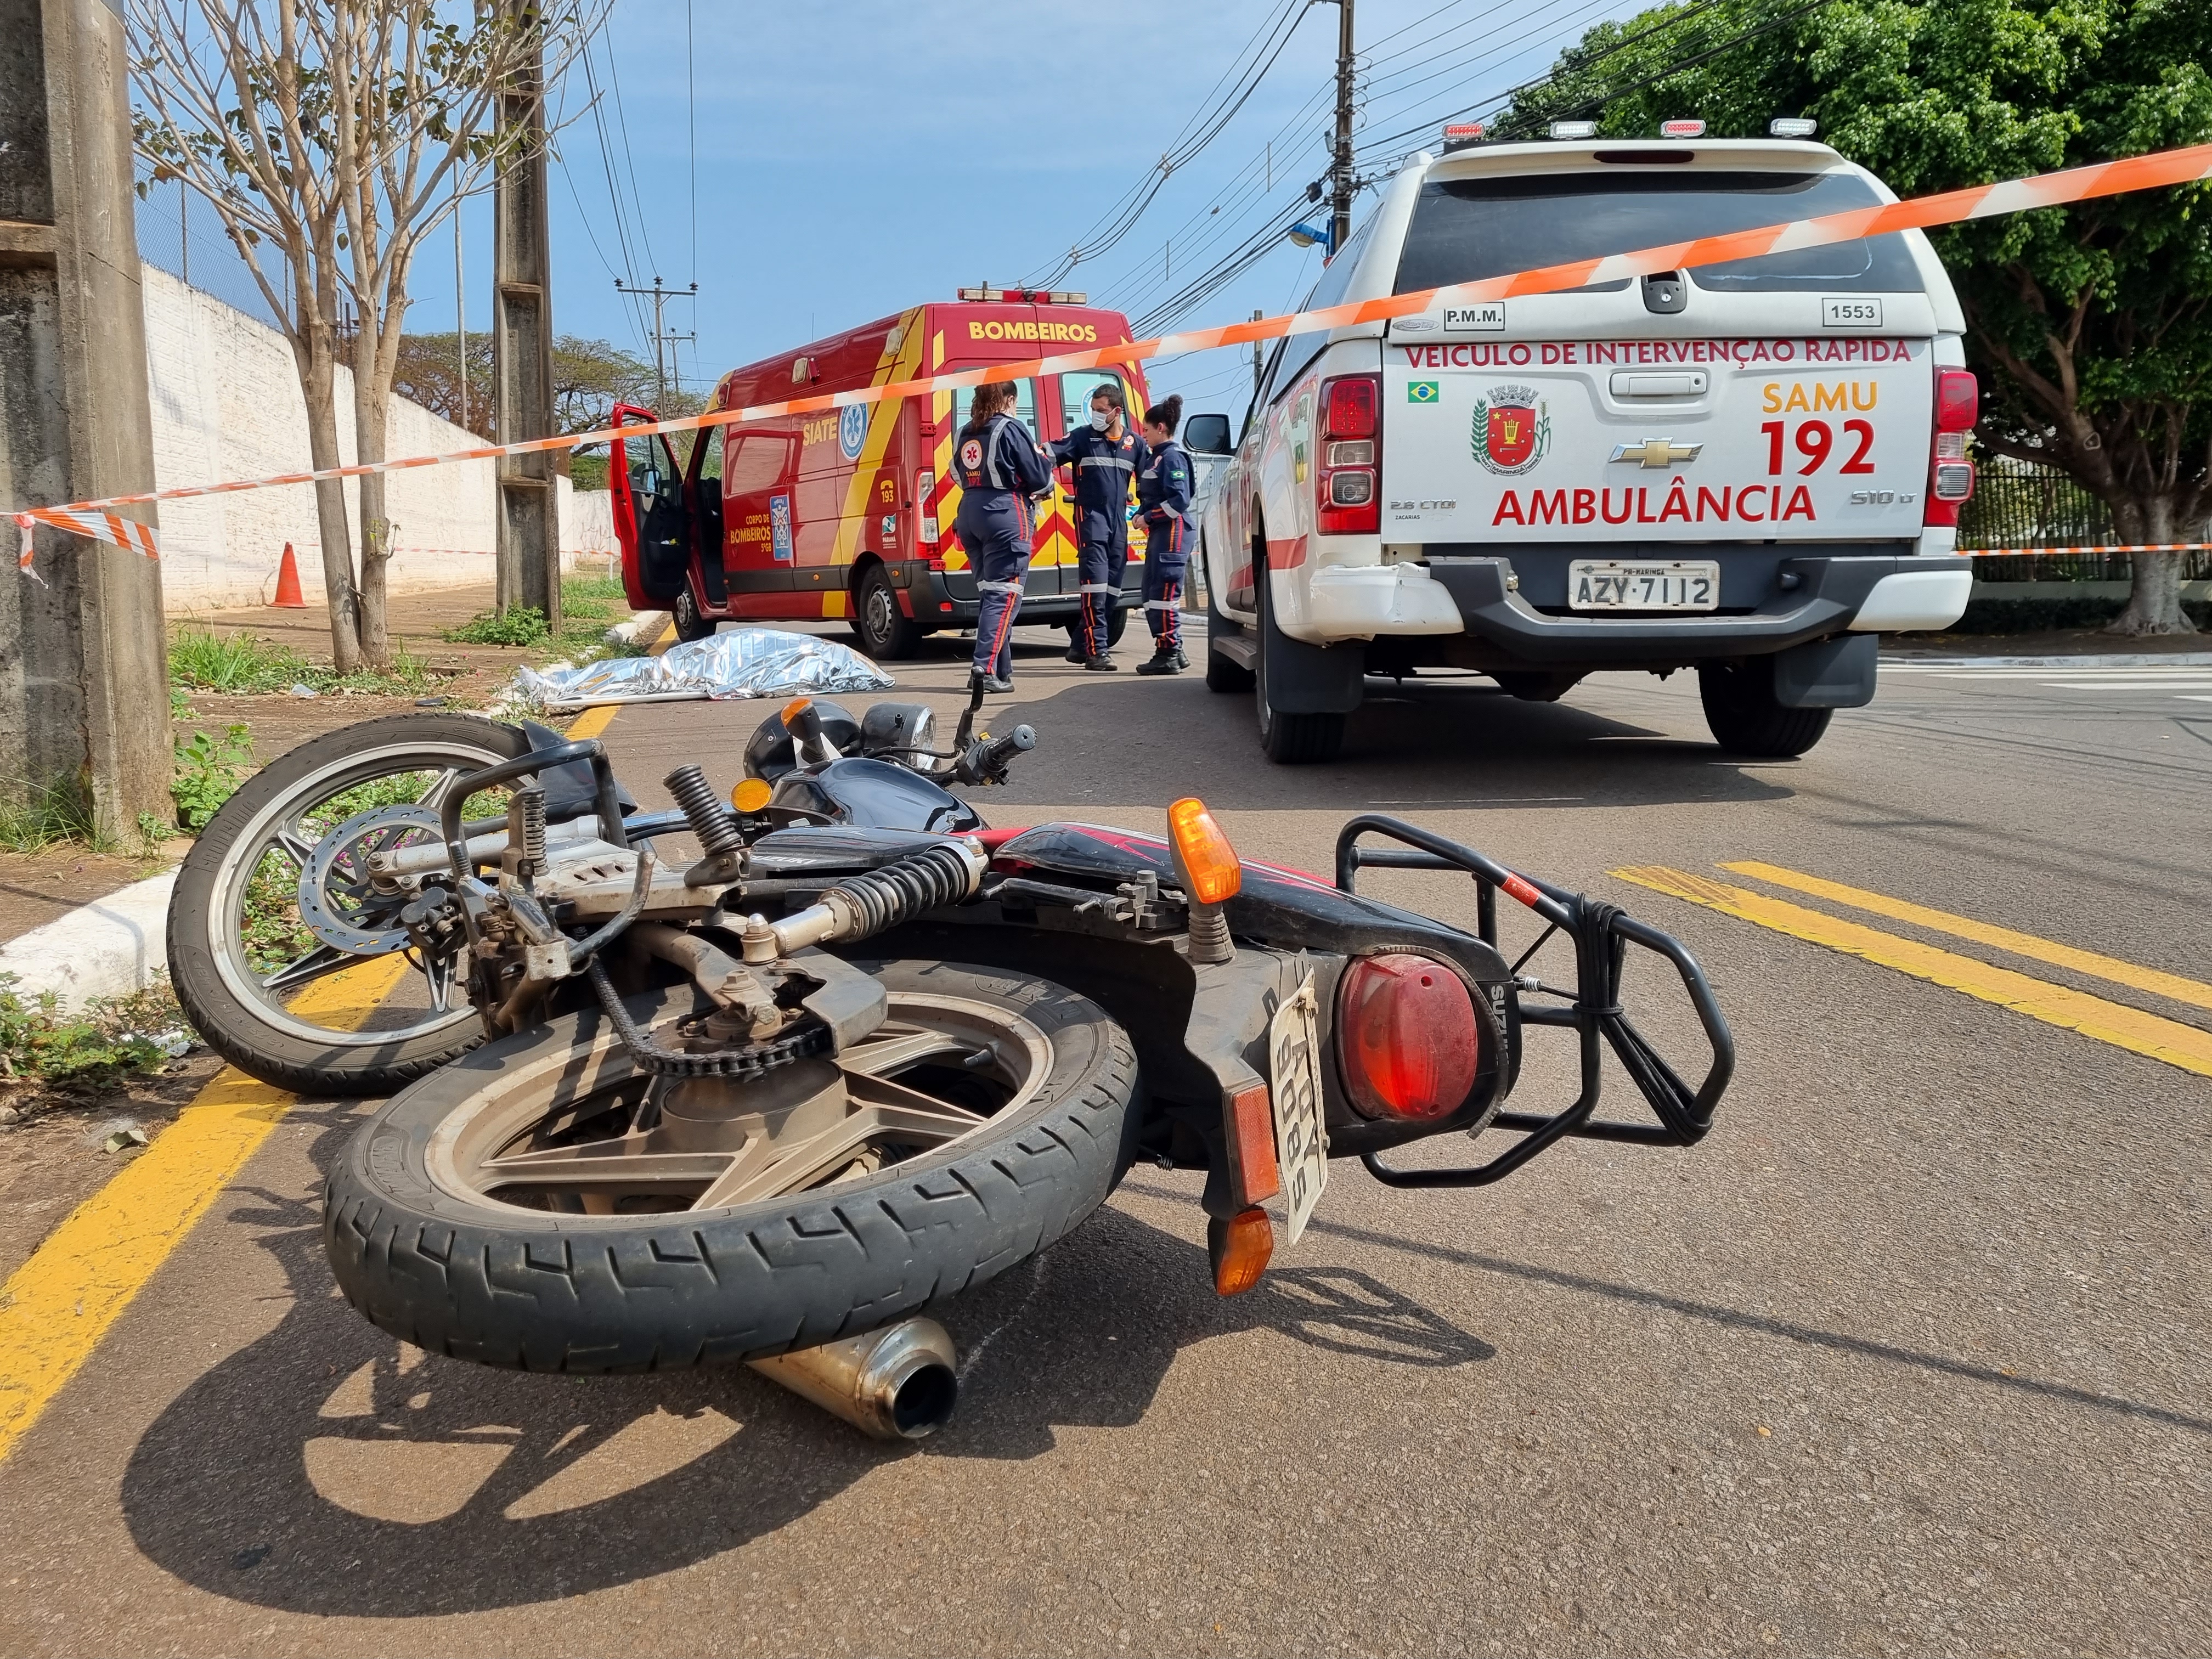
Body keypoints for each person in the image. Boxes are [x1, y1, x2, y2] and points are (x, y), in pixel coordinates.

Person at [950, 381, 1054, 692]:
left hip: (969, 511)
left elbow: (956, 473)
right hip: (1005, 512)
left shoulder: (965, 432)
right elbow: (1039, 476)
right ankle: (984, 670)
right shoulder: (1011, 428)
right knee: (1004, 596)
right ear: (1009, 399)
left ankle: (1001, 670)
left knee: (992, 596)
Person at [1047, 380, 1143, 670]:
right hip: (1092, 523)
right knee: (1096, 590)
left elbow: (1150, 480)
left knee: (1113, 590)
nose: (1095, 416)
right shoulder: (1081, 438)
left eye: (1101, 410)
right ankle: (1097, 651)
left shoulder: (1134, 444)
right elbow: (1044, 456)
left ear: (1117, 412)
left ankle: (1079, 644)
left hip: (1119, 526)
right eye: (1092, 410)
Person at [1133, 394, 1194, 675]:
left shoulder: (1171, 457)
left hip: (1172, 533)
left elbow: (1179, 500)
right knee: (1151, 592)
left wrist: (1148, 517)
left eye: (1146, 430)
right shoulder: (1156, 458)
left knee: (1163, 592)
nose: (1143, 435)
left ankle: (1168, 653)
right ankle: (1173, 648)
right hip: (1161, 533)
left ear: (1160, 427)